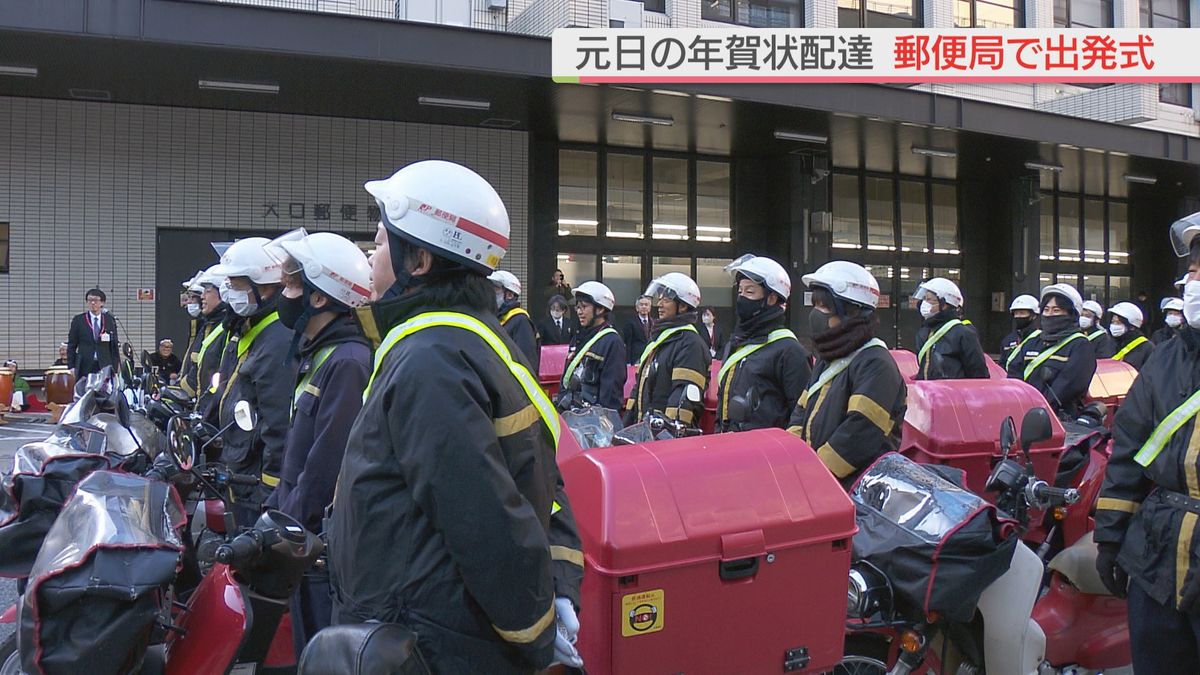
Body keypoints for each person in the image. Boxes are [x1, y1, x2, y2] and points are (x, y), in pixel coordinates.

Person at [328, 160, 584, 673]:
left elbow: (482, 517)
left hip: (426, 641)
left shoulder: (431, 359)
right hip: (434, 627)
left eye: (379, 243)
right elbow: (536, 484)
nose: (370, 257)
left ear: (418, 261)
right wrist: (555, 589)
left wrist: (533, 632)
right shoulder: (469, 341)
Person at [1095, 213, 1200, 673]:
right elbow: (1128, 454)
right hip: (1156, 558)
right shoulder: (1166, 358)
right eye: (1194, 271)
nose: (1193, 282)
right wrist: (1112, 539)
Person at [260, 230, 373, 655]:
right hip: (299, 535)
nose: (284, 295)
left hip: (317, 546)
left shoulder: (347, 363)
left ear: (320, 298)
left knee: (322, 649)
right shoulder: (320, 354)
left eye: (291, 285)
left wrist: (280, 530)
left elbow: (324, 468)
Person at [787, 261, 905, 485]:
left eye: (824, 308)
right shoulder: (828, 357)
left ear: (852, 312)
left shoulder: (876, 363)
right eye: (816, 306)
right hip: (816, 480)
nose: (815, 315)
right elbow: (801, 412)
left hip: (852, 488)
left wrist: (814, 474)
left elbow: (860, 433)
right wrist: (795, 458)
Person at [209, 236, 298, 525]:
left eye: (236, 284)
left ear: (266, 285)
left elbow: (278, 425)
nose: (229, 292)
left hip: (257, 485)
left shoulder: (277, 339)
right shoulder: (252, 327)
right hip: (241, 469)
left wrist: (269, 491)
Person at [715, 255, 810, 433]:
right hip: (728, 449)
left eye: (750, 292)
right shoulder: (736, 344)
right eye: (740, 292)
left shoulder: (789, 350)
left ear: (772, 299)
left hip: (766, 455)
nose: (742, 298)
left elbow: (800, 415)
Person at [623, 272, 711, 428]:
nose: (660, 305)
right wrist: (628, 426)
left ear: (683, 306)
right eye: (660, 299)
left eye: (666, 300)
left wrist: (665, 435)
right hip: (644, 435)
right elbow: (639, 390)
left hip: (665, 441)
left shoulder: (690, 344)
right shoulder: (660, 340)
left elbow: (682, 403)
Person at [1005, 283, 1097, 417]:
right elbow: (1014, 372)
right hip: (1022, 413)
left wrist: (1039, 410)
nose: (1049, 315)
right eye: (1046, 310)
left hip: (1058, 419)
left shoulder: (1080, 345)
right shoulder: (1033, 340)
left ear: (1071, 314)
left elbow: (1067, 386)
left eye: (1056, 311)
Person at [558, 281, 626, 410]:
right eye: (577, 307)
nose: (579, 311)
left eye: (584, 306)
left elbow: (611, 395)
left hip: (593, 423)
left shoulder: (612, 342)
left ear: (600, 309)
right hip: (571, 417)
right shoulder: (578, 338)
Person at [912, 277, 989, 380]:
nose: (924, 304)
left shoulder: (963, 333)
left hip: (954, 394)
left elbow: (979, 374)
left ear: (944, 304)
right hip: (930, 394)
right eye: (924, 299)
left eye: (929, 299)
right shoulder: (924, 332)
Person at [194, 265, 231, 420]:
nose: (202, 296)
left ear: (223, 292)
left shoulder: (228, 327)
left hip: (217, 414)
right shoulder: (214, 325)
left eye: (207, 290)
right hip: (207, 410)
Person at [490, 269, 541, 372]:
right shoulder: (496, 319)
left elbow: (527, 362)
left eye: (496, 289)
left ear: (509, 295)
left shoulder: (520, 321)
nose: (491, 293)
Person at [66, 288, 119, 379]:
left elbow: (114, 345)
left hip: (104, 364)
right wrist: (71, 366)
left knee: (104, 391)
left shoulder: (109, 320)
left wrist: (115, 366)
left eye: (95, 300)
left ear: (102, 303)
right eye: (90, 300)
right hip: (85, 364)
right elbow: (71, 345)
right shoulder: (79, 320)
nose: (92, 303)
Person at [1107, 302, 1155, 371]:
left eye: (1118, 323)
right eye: (1113, 322)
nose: (1114, 326)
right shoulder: (1109, 342)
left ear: (1132, 326)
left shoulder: (1146, 347)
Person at [1001, 294, 1041, 369]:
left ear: (1034, 315)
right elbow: (1002, 366)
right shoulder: (1007, 340)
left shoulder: (1041, 339)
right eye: (1016, 313)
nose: (1018, 316)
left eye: (1022, 313)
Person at [622, 294, 654, 365]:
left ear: (649, 308)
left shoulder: (654, 323)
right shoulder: (630, 323)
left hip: (650, 358)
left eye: (646, 305)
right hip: (636, 359)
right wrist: (628, 362)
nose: (644, 307)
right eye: (641, 305)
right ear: (637, 308)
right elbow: (628, 344)